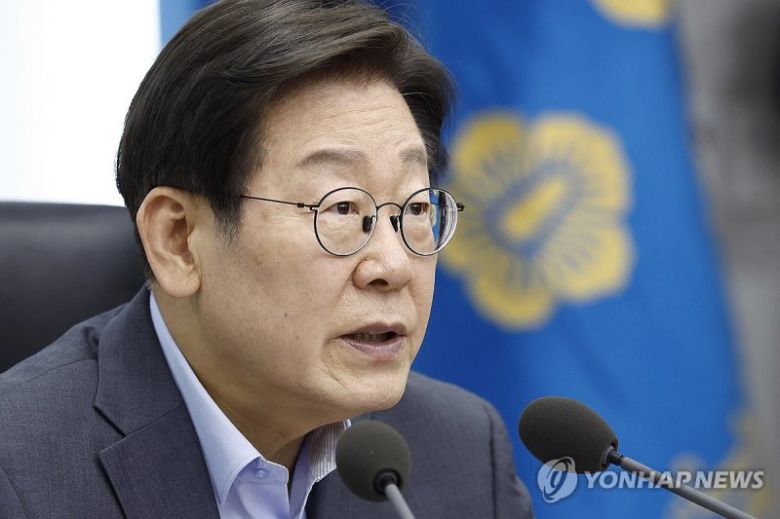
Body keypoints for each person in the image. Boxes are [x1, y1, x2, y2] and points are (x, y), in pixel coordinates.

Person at [0, 1, 534, 517]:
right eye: (341, 208)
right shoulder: (17, 475)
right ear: (178, 240)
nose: (393, 266)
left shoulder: (460, 452)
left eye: (415, 207)